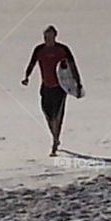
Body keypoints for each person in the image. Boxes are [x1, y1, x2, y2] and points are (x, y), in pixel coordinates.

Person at [22, 25, 82, 157]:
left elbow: (72, 66)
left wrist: (77, 83)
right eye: (45, 37)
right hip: (45, 86)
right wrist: (27, 76)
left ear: (55, 36)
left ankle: (55, 142)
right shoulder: (39, 49)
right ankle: (55, 136)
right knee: (47, 114)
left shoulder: (63, 49)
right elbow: (32, 63)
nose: (46, 40)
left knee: (58, 115)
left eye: (49, 37)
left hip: (60, 87)